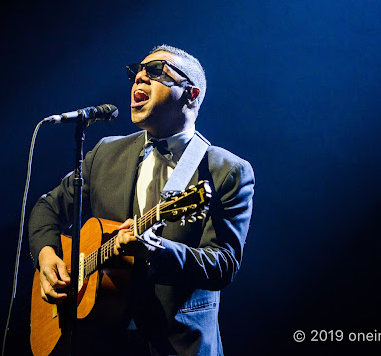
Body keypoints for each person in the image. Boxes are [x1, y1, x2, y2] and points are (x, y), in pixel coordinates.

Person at [28, 45, 255, 355]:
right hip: (98, 339)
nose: (139, 79)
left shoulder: (227, 171)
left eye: (156, 71)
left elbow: (223, 264)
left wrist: (154, 250)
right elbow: (48, 208)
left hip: (178, 344)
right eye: (136, 72)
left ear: (191, 93)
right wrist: (46, 256)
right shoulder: (106, 152)